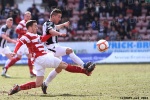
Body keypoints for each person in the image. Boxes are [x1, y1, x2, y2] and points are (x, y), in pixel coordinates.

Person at [8, 20, 95, 95]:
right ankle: (85, 71)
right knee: (63, 65)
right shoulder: (27, 35)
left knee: (38, 83)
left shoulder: (36, 36)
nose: (37, 28)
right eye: (35, 26)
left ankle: (19, 88)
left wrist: (55, 33)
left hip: (38, 61)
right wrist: (15, 52)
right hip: (43, 57)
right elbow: (20, 42)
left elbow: (43, 38)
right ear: (29, 27)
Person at [41, 8, 93, 94]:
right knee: (69, 50)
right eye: (58, 17)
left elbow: (56, 27)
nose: (59, 19)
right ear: (53, 16)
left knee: (58, 69)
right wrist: (60, 33)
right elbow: (51, 31)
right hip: (52, 47)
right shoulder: (48, 23)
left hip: (52, 48)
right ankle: (83, 65)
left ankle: (45, 84)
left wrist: (63, 25)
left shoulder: (49, 24)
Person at [2, 11, 36, 78]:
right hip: (22, 43)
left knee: (30, 56)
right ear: (24, 16)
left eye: (29, 16)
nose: (28, 17)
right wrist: (25, 32)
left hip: (27, 43)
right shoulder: (22, 23)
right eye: (27, 16)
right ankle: (5, 68)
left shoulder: (31, 23)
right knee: (18, 57)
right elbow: (17, 30)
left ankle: (31, 72)